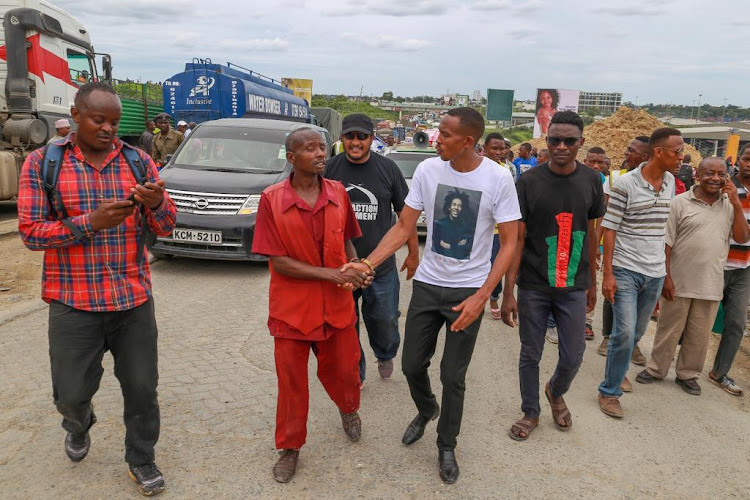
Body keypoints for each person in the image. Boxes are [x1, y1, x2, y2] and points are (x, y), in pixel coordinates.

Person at [343, 107, 520, 484]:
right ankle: (426, 409)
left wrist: (483, 295)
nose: (436, 139)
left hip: (467, 291)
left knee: (453, 375)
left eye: (445, 134)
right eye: (438, 132)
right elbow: (403, 225)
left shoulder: (498, 178)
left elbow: (508, 244)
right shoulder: (427, 171)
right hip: (427, 284)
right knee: (411, 366)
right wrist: (368, 264)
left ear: (468, 141)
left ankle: (446, 444)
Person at [17, 82, 177, 496]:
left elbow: (166, 225)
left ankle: (141, 459)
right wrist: (91, 222)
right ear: (75, 115)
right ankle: (78, 423)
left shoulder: (139, 162)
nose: (108, 129)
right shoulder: (42, 163)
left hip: (132, 300)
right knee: (70, 394)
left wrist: (157, 203)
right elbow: (32, 233)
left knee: (142, 389)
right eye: (98, 119)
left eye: (114, 122)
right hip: (73, 302)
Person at [251, 128, 369, 483]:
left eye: (321, 147)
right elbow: (278, 261)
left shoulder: (337, 193)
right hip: (292, 310)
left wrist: (356, 266)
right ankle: (290, 448)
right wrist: (330, 275)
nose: (320, 154)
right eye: (309, 149)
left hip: (336, 305)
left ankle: (348, 409)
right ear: (291, 157)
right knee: (292, 384)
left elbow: (347, 239)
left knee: (345, 371)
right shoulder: (272, 199)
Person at [502, 111, 605, 440]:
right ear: (545, 142)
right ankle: (530, 411)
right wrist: (508, 292)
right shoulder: (528, 182)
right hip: (534, 285)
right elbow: (517, 240)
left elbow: (590, 233)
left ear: (581, 143)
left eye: (569, 141)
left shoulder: (592, 180)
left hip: (574, 285)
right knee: (530, 352)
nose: (561, 146)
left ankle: (555, 391)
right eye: (554, 140)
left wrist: (593, 284)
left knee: (574, 353)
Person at [635, 158, 750, 394]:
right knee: (669, 329)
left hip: (711, 280)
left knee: (700, 333)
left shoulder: (729, 204)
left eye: (721, 174)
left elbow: (741, 237)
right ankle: (657, 369)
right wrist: (666, 277)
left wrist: (737, 204)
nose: (715, 179)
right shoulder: (680, 202)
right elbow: (666, 243)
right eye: (709, 173)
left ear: (727, 176)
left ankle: (687, 374)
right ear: (698, 175)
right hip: (679, 279)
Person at [325, 113, 419, 384]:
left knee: (385, 319)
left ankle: (385, 353)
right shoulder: (329, 169)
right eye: (350, 137)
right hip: (342, 267)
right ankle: (356, 371)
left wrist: (413, 254)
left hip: (381, 265)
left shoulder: (388, 169)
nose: (355, 142)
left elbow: (405, 217)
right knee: (347, 324)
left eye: (361, 137)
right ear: (341, 138)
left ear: (371, 139)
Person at [597, 128, 681, 418]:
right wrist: (607, 274)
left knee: (637, 332)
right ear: (659, 152)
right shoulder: (625, 184)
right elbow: (610, 229)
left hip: (655, 272)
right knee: (623, 332)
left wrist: (666, 273)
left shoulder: (671, 181)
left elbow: (665, 230)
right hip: (626, 269)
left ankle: (617, 368)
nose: (682, 157)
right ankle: (609, 390)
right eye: (677, 151)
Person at [597, 135, 651, 364]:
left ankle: (633, 342)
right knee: (613, 296)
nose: (626, 153)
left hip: (646, 254)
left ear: (645, 157)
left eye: (632, 150)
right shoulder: (616, 178)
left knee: (639, 304)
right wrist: (597, 247)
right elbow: (604, 214)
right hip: (617, 247)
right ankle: (608, 337)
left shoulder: (665, 181)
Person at [709, 144, 750, 396]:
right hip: (717, 263)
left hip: (745, 268)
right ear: (739, 160)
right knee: (699, 319)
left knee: (736, 323)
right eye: (747, 158)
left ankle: (719, 372)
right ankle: (680, 367)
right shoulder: (724, 186)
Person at [583, 147, 607, 340]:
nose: (596, 166)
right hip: (575, 238)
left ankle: (587, 321)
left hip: (593, 240)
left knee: (592, 279)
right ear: (585, 161)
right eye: (592, 161)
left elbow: (600, 219)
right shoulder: (577, 179)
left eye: (601, 162)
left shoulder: (604, 183)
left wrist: (598, 246)